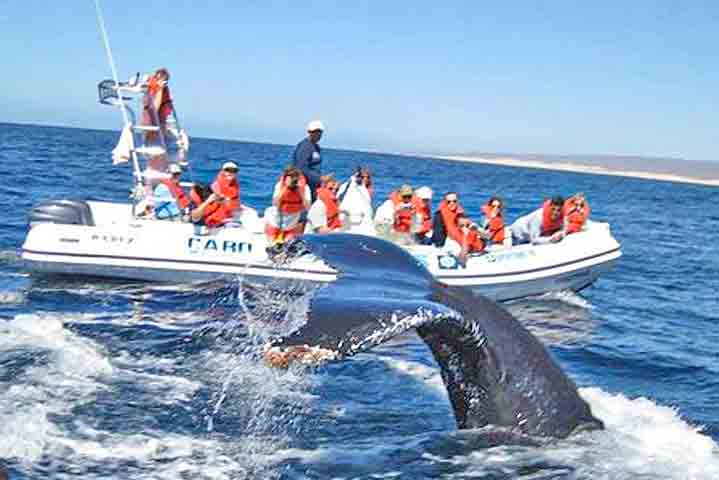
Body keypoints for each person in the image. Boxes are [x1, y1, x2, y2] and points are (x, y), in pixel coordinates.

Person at [264, 165, 312, 243]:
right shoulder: (280, 186)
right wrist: (284, 189)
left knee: (288, 244)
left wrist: (301, 193)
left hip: (291, 224)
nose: (293, 181)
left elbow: (308, 208)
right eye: (291, 177)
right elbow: (275, 203)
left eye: (295, 178)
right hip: (275, 221)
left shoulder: (305, 188)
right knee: (271, 243)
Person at [291, 120, 324, 201]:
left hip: (314, 185)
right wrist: (319, 178)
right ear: (309, 132)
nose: (318, 134)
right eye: (315, 132)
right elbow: (301, 168)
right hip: (305, 186)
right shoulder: (305, 147)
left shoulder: (316, 147)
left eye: (319, 132)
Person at [337, 166, 374, 233]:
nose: (365, 179)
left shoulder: (366, 190)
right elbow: (339, 199)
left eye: (367, 177)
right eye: (363, 177)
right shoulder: (348, 185)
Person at [142, 68, 174, 143]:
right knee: (148, 128)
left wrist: (160, 88)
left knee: (159, 127)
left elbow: (157, 105)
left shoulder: (163, 89)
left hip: (160, 112)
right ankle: (148, 143)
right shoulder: (151, 85)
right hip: (150, 112)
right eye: (158, 78)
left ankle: (159, 142)